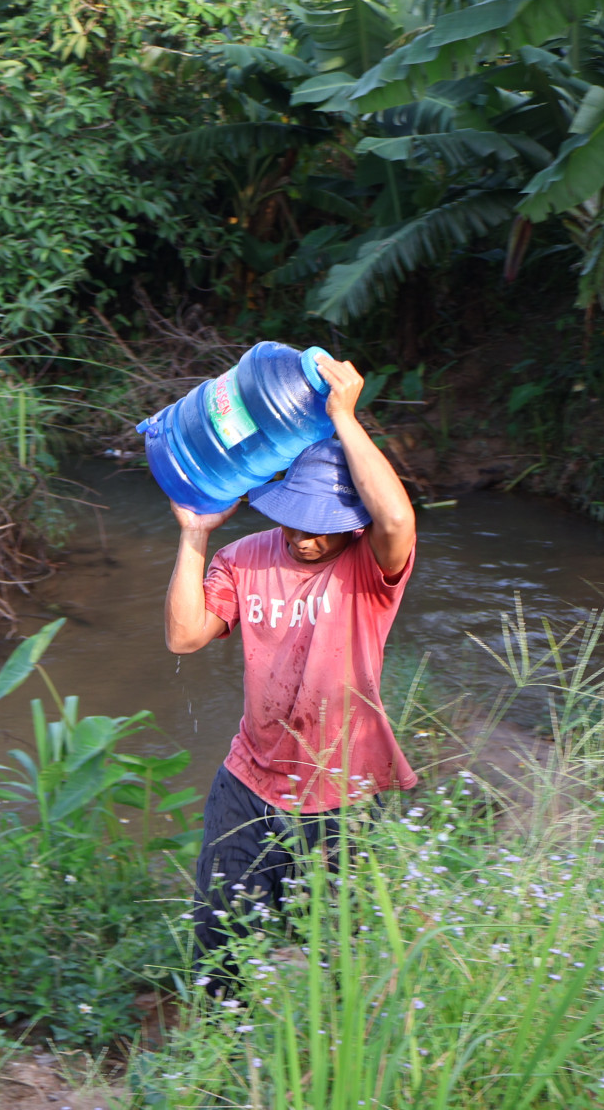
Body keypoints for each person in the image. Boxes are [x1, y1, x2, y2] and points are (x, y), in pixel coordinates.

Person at [162, 353, 417, 968]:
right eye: (292, 520)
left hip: (345, 791)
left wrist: (343, 417)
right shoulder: (246, 557)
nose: (305, 537)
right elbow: (184, 636)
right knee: (220, 947)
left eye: (321, 525)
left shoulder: (368, 565)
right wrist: (195, 534)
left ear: (349, 523)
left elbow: (397, 515)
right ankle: (219, 1047)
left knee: (340, 959)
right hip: (251, 782)